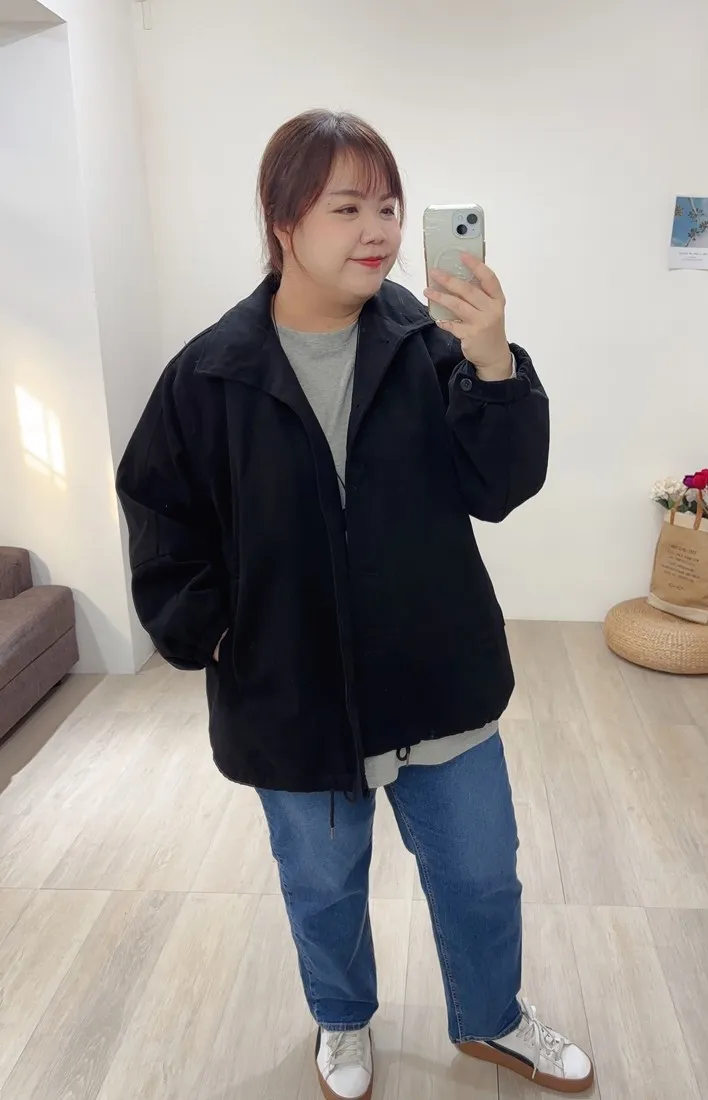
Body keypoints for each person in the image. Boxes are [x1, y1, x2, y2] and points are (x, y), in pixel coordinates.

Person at [116, 109, 594, 1098]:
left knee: (481, 873)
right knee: (322, 886)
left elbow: (500, 486)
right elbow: (160, 512)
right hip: (293, 696)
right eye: (347, 208)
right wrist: (215, 632)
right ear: (283, 221)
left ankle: (491, 1016)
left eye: (388, 206)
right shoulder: (209, 372)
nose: (377, 230)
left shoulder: (430, 341)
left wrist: (494, 360)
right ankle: (341, 1020)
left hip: (437, 675)